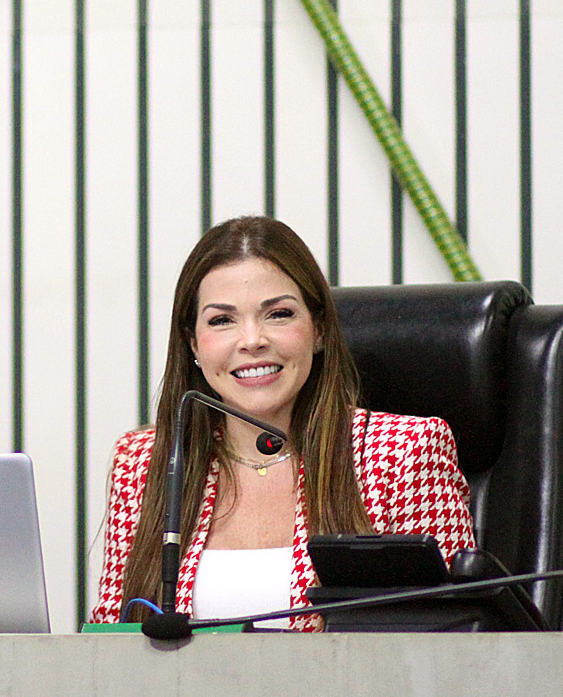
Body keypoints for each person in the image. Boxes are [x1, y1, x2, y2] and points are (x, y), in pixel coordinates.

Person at [90, 216, 473, 631]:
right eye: (222, 320)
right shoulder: (145, 463)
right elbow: (112, 640)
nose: (252, 340)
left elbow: (451, 645)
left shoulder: (405, 452)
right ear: (193, 344)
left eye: (278, 314)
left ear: (320, 330)